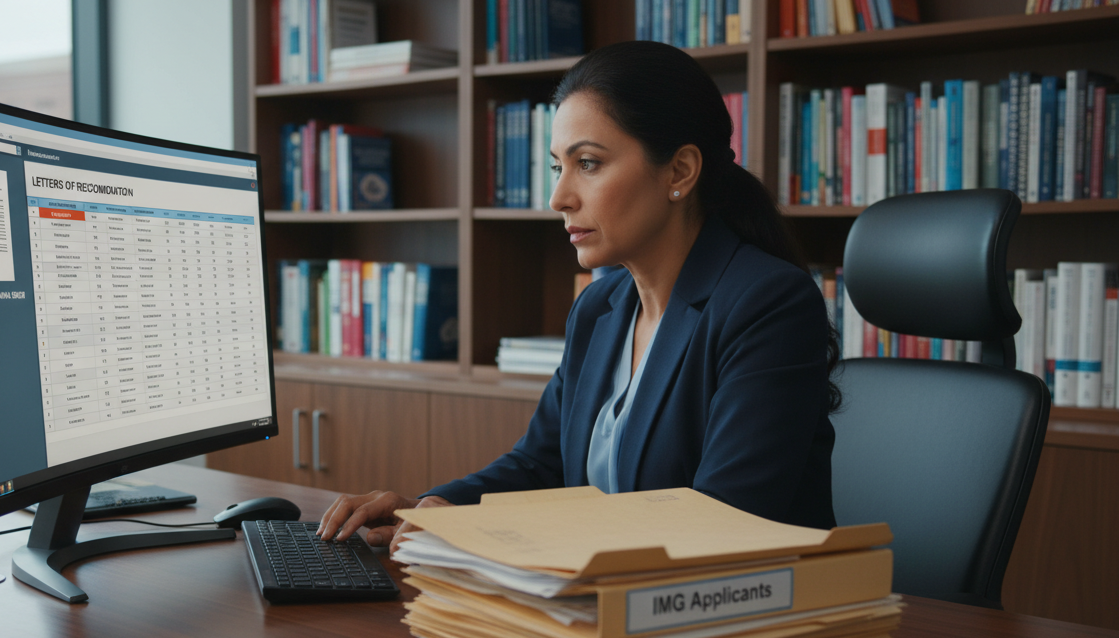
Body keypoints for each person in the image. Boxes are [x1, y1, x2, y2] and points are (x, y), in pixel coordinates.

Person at [318, 40, 839, 552]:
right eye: (557, 166)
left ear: (679, 171)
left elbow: (721, 522)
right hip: (612, 609)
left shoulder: (767, 304)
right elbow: (540, 465)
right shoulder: (600, 308)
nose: (558, 197)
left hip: (732, 618)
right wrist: (435, 509)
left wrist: (506, 536)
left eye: (587, 163)